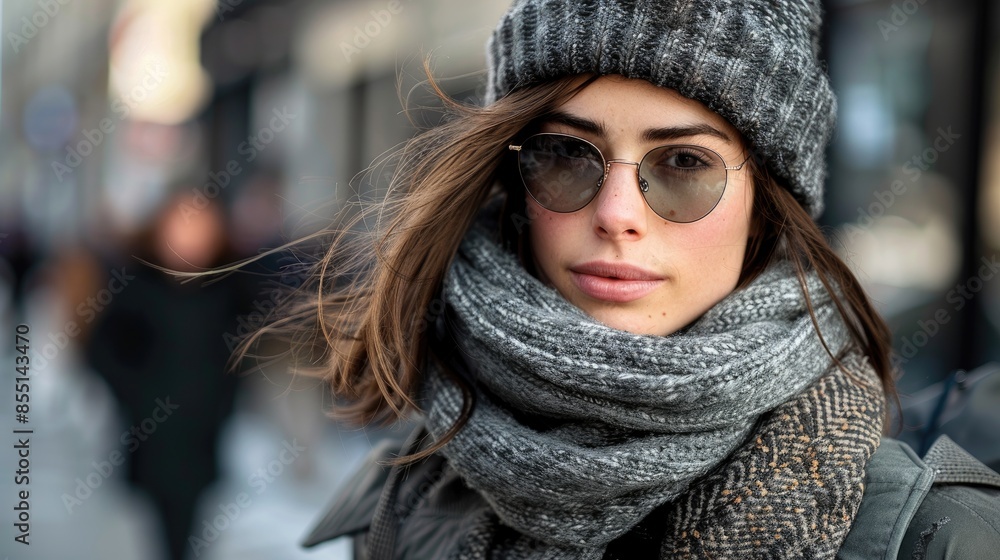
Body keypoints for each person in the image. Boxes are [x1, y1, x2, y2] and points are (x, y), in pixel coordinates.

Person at [240, 0, 1000, 558]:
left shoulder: (927, 537)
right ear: (515, 184)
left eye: (685, 164)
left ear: (764, 208)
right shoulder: (408, 493)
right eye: (567, 155)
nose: (616, 214)